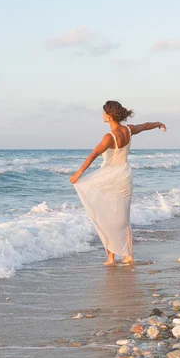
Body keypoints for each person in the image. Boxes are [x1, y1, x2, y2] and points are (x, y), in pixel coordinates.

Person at [69, 100, 166, 265]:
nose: (102, 115)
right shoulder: (128, 130)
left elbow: (93, 155)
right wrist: (159, 124)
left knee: (105, 216)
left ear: (109, 116)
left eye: (104, 112)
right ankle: (128, 256)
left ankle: (111, 257)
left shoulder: (109, 137)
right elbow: (145, 125)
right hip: (125, 176)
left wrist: (77, 174)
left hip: (109, 178)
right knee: (123, 218)